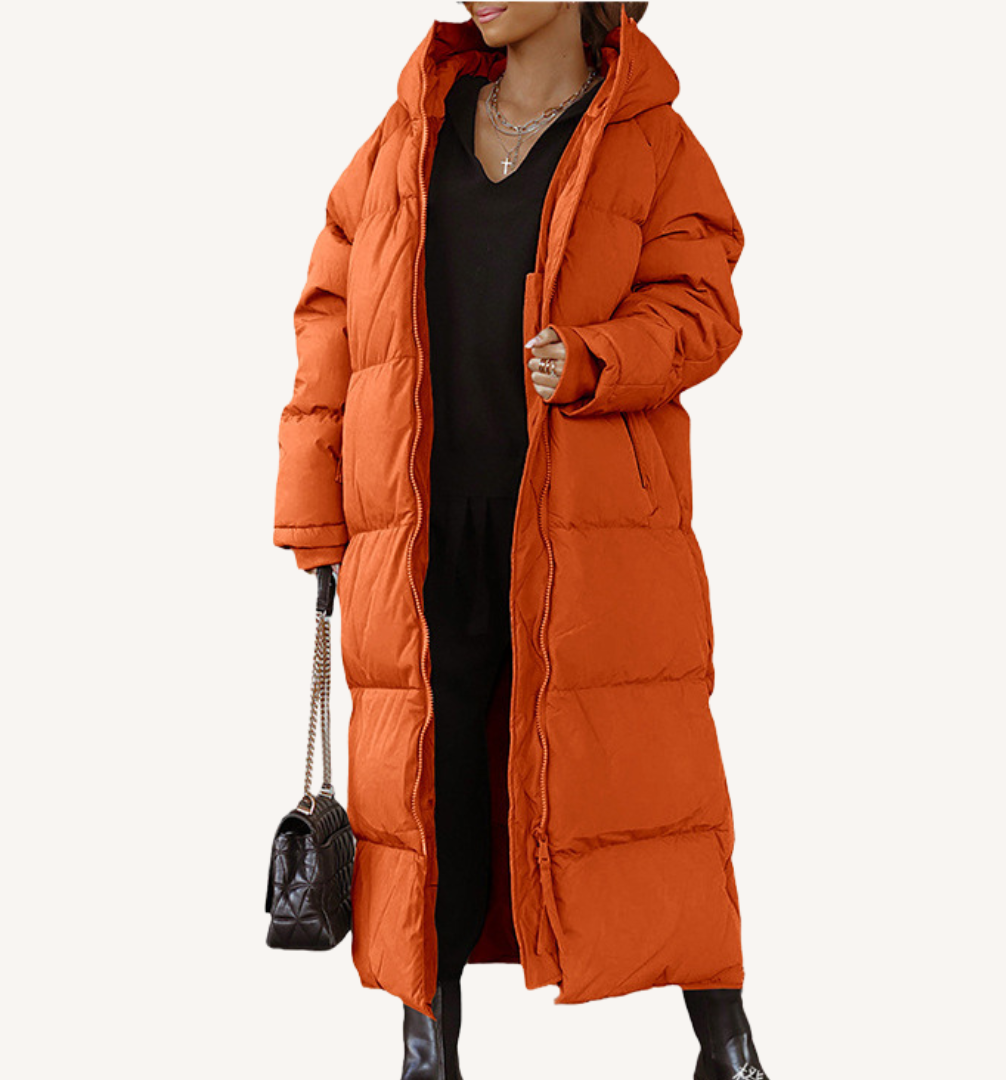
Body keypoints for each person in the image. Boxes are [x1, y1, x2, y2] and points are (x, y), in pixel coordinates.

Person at [273, 4, 770, 1078]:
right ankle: (427, 1052)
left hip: (589, 537)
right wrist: (315, 507)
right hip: (418, 535)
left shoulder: (649, 139)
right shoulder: (405, 134)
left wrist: (598, 356)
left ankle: (727, 1044)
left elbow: (703, 306)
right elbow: (328, 319)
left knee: (647, 785)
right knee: (427, 792)